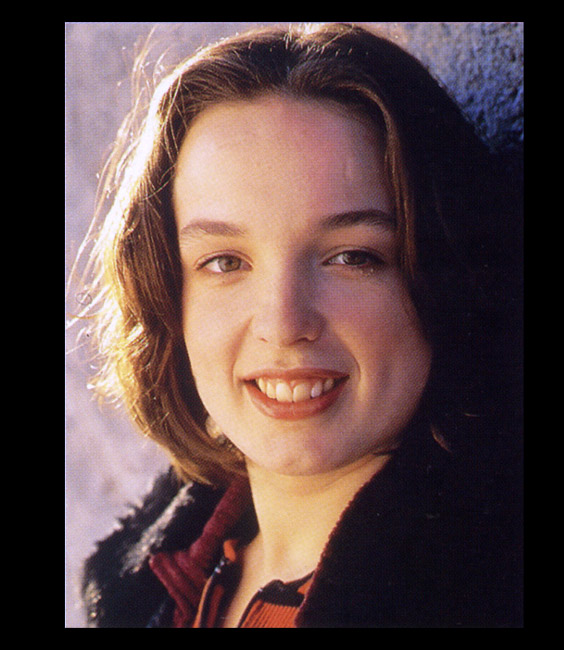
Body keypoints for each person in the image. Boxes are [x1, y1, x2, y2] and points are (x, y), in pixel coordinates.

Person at [72, 22, 523, 627]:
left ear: (449, 273)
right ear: (167, 298)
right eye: (225, 262)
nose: (284, 324)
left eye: (352, 257)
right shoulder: (158, 582)